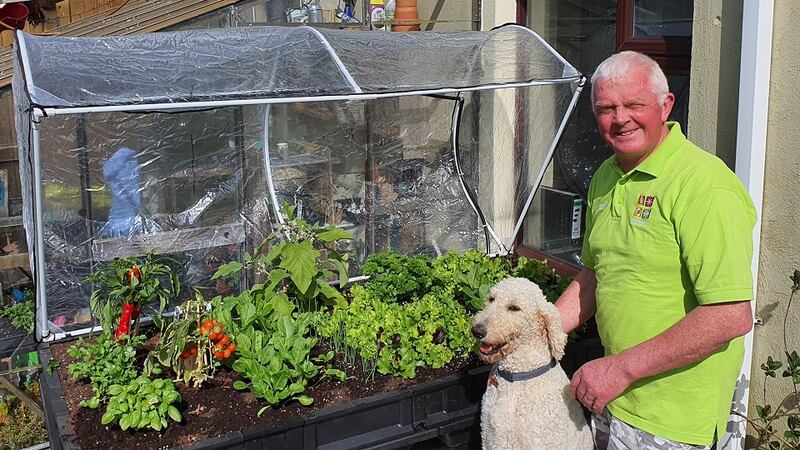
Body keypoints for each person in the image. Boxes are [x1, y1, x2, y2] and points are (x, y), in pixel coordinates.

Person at [554, 51, 756, 449]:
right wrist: (532, 339)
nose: (620, 118)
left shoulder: (703, 185)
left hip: (673, 419)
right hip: (614, 397)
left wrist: (620, 370)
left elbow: (729, 315)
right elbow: (597, 275)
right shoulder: (607, 176)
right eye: (606, 108)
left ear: (665, 106)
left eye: (633, 105)